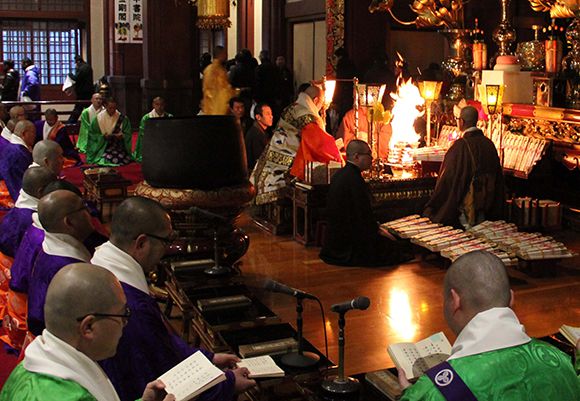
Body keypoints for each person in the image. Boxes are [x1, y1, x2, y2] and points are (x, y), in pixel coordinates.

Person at [93, 197, 256, 401]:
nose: (167, 250)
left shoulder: (102, 264)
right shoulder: (127, 305)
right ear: (141, 243)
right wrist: (228, 383)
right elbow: (164, 379)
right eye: (166, 241)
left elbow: (162, 344)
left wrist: (208, 358)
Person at [397, 250, 580, 400]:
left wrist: (410, 394)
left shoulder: (437, 391)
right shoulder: (560, 362)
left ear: (455, 301)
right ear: (512, 299)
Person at [0, 263, 175, 401]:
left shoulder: (30, 365)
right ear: (88, 327)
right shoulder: (66, 396)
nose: (124, 323)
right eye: (122, 314)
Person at [320, 140, 409, 266]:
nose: (371, 158)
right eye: (368, 154)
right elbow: (362, 215)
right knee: (394, 248)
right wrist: (379, 230)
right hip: (349, 242)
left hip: (335, 240)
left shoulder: (341, 174)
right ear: (357, 156)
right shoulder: (354, 180)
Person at [251, 85, 342, 204]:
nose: (321, 107)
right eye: (321, 103)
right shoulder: (307, 116)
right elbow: (319, 144)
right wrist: (337, 152)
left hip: (273, 154)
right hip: (286, 164)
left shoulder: (292, 107)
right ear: (315, 100)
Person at [424, 106, 505, 228]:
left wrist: (433, 205)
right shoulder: (489, 144)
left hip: (467, 209)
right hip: (488, 206)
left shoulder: (460, 147)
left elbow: (448, 179)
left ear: (461, 122)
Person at [27, 190, 94, 335]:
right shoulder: (70, 269)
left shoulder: (51, 247)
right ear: (69, 222)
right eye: (84, 207)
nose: (91, 212)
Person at [86, 97, 133, 166]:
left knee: (122, 159)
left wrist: (122, 136)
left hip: (117, 145)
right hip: (103, 146)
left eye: (114, 108)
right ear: (105, 106)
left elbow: (127, 134)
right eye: (110, 108)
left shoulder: (122, 118)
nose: (112, 110)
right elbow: (92, 135)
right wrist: (102, 137)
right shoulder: (98, 119)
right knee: (104, 159)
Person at [0, 120, 35, 202]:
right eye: (33, 133)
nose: (35, 136)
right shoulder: (19, 152)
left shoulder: (12, 146)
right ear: (24, 133)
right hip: (11, 190)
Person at [134, 97, 173, 162]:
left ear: (164, 105)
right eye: (157, 104)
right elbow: (143, 133)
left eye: (161, 104)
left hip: (165, 141)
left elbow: (171, 132)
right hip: (151, 142)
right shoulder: (146, 118)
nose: (159, 107)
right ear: (153, 105)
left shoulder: (169, 117)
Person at [202, 45, 234, 115]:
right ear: (221, 54)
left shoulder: (208, 69)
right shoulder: (219, 71)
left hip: (209, 106)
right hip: (218, 106)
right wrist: (236, 92)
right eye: (225, 53)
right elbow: (224, 90)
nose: (226, 56)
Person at [245, 103, 273, 171]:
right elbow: (258, 159)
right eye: (267, 114)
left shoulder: (261, 131)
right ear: (258, 117)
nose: (271, 116)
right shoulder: (256, 134)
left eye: (271, 114)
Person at [67, 55, 94, 123]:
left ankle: (70, 123)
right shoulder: (87, 67)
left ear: (78, 62)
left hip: (83, 92)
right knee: (89, 109)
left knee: (78, 108)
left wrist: (70, 74)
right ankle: (91, 122)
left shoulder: (82, 68)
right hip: (88, 91)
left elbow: (76, 78)